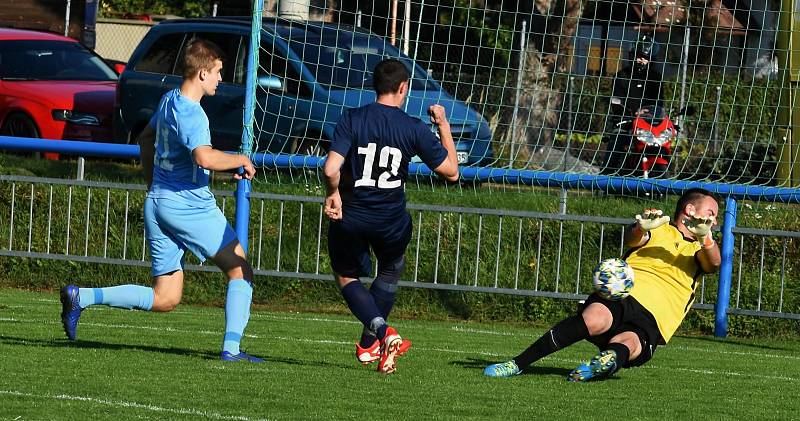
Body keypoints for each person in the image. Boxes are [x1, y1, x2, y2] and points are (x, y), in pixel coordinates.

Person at [59, 38, 262, 362]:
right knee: (241, 270)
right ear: (202, 73)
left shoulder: (169, 100)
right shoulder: (194, 115)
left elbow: (146, 138)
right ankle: (232, 350)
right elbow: (204, 158)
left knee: (165, 297)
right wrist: (240, 159)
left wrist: (154, 183)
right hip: (188, 205)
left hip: (159, 204)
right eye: (218, 73)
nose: (221, 80)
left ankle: (80, 296)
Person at [484, 188, 721, 381]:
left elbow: (713, 264)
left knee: (628, 343)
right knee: (595, 320)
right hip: (624, 295)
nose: (714, 219)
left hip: (657, 317)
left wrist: (706, 238)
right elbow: (633, 239)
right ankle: (517, 364)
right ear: (690, 209)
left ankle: (597, 367)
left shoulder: (701, 247)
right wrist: (639, 228)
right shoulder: (659, 227)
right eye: (711, 212)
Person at [323, 59, 459, 374]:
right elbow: (451, 172)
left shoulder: (353, 118)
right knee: (389, 271)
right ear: (403, 88)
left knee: (346, 276)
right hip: (391, 220)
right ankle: (374, 341)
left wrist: (333, 193)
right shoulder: (412, 127)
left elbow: (331, 168)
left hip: (352, 215)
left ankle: (380, 335)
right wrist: (443, 125)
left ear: (375, 86)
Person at [602, 34, 665, 174]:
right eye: (638, 56)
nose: (641, 60)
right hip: (626, 122)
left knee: (663, 143)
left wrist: (653, 114)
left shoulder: (656, 79)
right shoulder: (622, 76)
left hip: (649, 125)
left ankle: (662, 177)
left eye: (645, 58)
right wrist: (628, 111)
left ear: (651, 60)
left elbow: (660, 103)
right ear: (632, 56)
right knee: (617, 141)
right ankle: (605, 179)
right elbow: (617, 99)